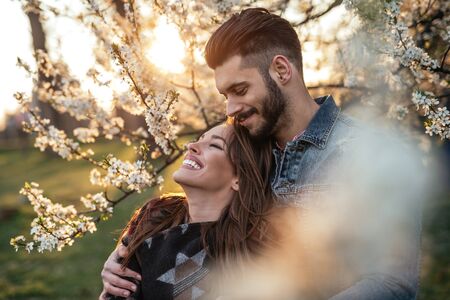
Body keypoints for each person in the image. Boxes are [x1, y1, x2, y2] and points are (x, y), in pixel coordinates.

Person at [102, 7, 421, 300]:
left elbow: (393, 282)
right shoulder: (243, 143)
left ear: (281, 70)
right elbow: (203, 212)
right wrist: (127, 253)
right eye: (225, 95)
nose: (230, 108)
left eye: (240, 90)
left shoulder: (365, 154)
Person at [100, 123, 275, 299]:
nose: (192, 146)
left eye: (214, 145)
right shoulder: (156, 214)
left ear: (239, 178)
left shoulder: (249, 250)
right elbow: (119, 289)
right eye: (199, 139)